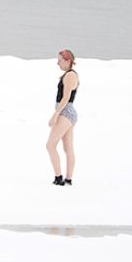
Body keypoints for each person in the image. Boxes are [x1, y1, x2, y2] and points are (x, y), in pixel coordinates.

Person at [46, 48, 79, 186]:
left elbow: (65, 98)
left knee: (50, 145)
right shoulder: (70, 74)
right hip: (69, 113)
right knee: (68, 148)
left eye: (60, 61)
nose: (57, 63)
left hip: (65, 112)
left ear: (68, 61)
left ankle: (59, 178)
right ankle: (68, 179)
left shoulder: (70, 75)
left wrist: (55, 115)